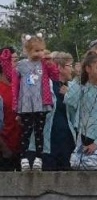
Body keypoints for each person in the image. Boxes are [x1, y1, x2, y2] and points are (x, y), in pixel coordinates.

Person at [10, 36, 58, 172]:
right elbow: (14, 83)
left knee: (39, 131)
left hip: (41, 103)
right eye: (36, 51)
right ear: (28, 50)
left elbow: (55, 76)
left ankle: (39, 157)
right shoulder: (21, 65)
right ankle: (23, 157)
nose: (40, 54)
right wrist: (16, 105)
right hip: (26, 103)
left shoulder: (44, 64)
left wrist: (51, 64)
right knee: (26, 131)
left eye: (42, 50)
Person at [64, 50, 97, 171]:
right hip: (81, 137)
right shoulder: (82, 87)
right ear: (88, 69)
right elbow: (70, 101)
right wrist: (79, 79)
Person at [42, 52, 75, 171]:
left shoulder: (71, 87)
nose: (72, 69)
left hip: (67, 139)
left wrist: (70, 95)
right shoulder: (49, 86)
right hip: (51, 139)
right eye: (70, 65)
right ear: (60, 68)